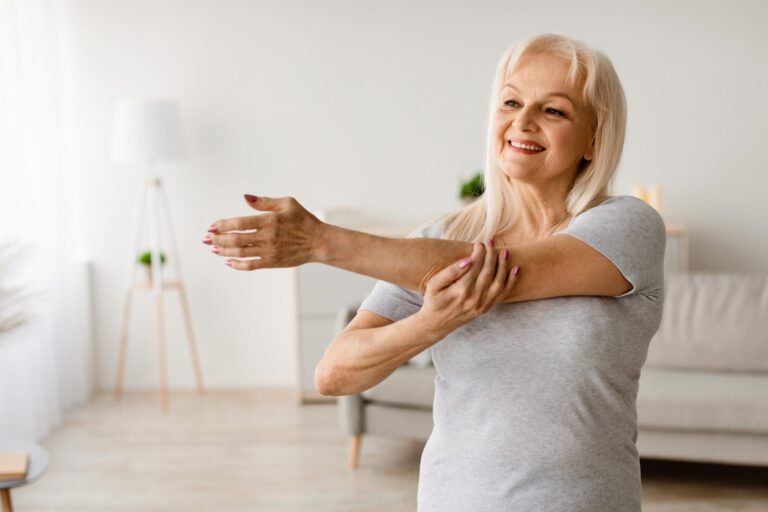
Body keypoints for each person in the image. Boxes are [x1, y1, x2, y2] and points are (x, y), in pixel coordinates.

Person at [203, 33, 666, 512]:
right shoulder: (441, 236)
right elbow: (332, 374)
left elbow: (504, 272)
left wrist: (322, 241)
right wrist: (430, 323)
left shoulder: (626, 226)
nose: (523, 121)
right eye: (511, 102)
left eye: (553, 110)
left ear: (593, 139)